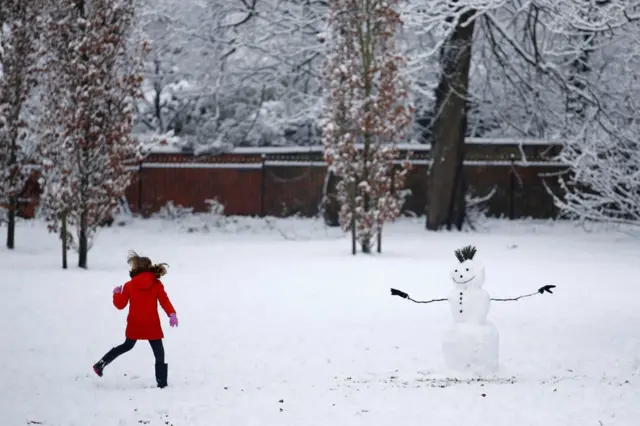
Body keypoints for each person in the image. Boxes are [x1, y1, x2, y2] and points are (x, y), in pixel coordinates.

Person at [92, 251, 178, 388]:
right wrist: (172, 314)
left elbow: (120, 305)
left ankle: (101, 364)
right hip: (152, 325)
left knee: (127, 345)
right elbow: (164, 301)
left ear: (136, 270)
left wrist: (116, 294)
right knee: (159, 353)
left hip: (135, 324)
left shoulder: (129, 286)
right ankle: (162, 383)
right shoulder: (156, 285)